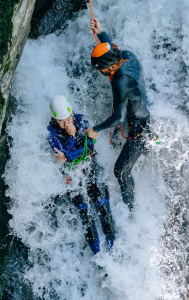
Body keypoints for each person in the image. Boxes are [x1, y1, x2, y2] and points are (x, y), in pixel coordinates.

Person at [85, 17, 151, 211]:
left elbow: (119, 118)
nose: (101, 72)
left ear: (112, 67)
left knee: (121, 171)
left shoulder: (120, 82)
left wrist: (95, 129)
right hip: (141, 104)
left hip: (141, 126)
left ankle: (131, 210)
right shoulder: (126, 55)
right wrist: (101, 33)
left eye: (102, 70)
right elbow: (112, 49)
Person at [47, 95, 116, 254]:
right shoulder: (51, 132)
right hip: (72, 174)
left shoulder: (81, 120)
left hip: (90, 165)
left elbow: (89, 146)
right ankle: (98, 255)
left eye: (68, 119)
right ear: (55, 119)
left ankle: (114, 249)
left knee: (103, 208)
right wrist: (71, 137)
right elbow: (61, 152)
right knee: (85, 214)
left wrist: (68, 156)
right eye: (61, 122)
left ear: (72, 114)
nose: (66, 124)